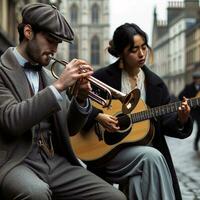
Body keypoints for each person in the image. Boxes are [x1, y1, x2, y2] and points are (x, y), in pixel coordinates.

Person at [0, 3, 127, 200]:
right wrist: (58, 87)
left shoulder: (49, 76)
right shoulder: (2, 69)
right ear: (28, 32)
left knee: (114, 197)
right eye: (50, 41)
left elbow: (70, 128)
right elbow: (12, 121)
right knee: (36, 194)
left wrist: (82, 99)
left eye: (58, 43)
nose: (54, 50)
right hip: (16, 161)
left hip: (54, 162)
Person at [82, 23, 193, 200]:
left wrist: (181, 119)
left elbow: (165, 121)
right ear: (121, 54)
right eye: (134, 50)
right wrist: (98, 115)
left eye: (144, 47)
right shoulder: (102, 78)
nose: (141, 54)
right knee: (152, 158)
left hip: (144, 152)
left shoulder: (155, 83)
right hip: (107, 153)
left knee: (137, 181)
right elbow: (78, 106)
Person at [179, 71, 200, 151]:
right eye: (196, 79)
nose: (198, 80)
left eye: (199, 79)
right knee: (187, 126)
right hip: (190, 111)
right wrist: (188, 101)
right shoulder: (188, 87)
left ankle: (196, 142)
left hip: (199, 112)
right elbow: (181, 96)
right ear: (194, 80)